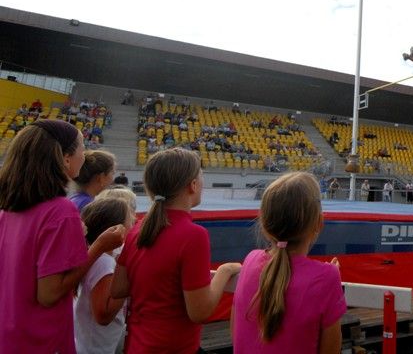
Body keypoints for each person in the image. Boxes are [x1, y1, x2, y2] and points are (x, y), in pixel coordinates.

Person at [0, 120, 125, 353]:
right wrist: (99, 246)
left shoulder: (8, 211)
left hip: (10, 334)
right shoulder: (60, 212)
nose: (84, 156)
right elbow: (48, 294)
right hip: (41, 340)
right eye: (82, 148)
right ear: (65, 158)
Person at [111, 148, 241, 353]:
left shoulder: (138, 230)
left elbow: (118, 288)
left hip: (137, 344)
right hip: (173, 347)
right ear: (193, 185)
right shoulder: (193, 235)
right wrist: (225, 271)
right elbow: (200, 312)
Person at [232, 172, 346, 353]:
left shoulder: (251, 260)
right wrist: (330, 278)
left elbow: (237, 332)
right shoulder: (327, 277)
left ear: (265, 224)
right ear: (318, 223)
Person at [74, 198, 136, 354]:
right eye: (130, 220)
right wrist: (128, 275)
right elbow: (103, 315)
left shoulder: (101, 258)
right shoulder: (103, 263)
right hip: (94, 349)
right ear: (116, 228)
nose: (133, 224)